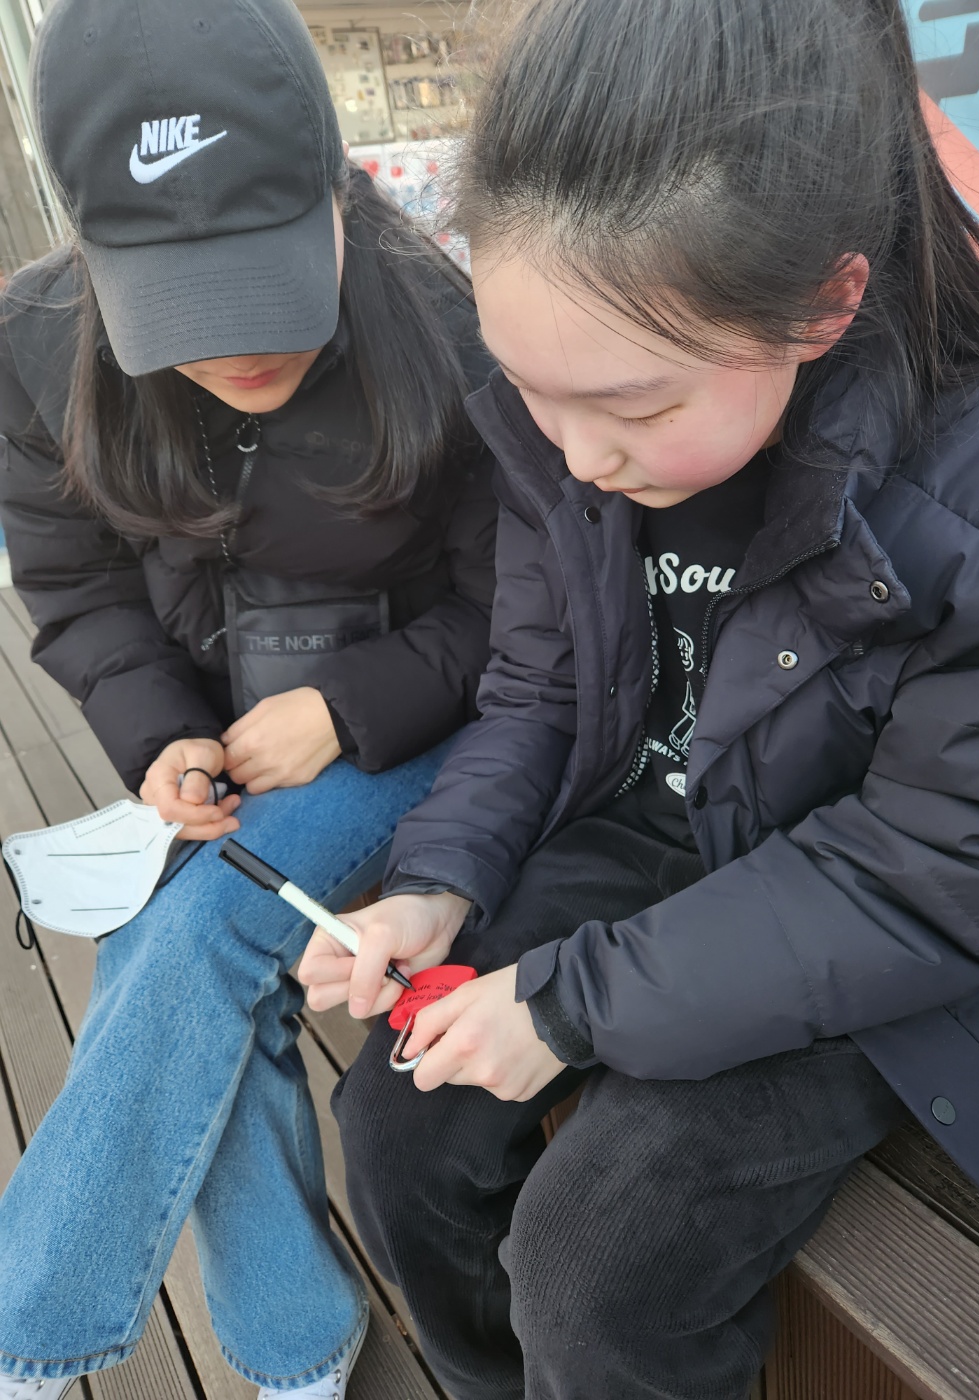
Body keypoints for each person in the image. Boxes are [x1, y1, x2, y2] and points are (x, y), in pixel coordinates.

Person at [298, 0, 979, 1396]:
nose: (579, 458)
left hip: (864, 926)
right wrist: (439, 883)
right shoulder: (566, 428)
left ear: (825, 302)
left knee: (598, 1266)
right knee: (395, 1124)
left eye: (636, 411)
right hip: (651, 837)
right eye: (532, 393)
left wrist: (568, 1005)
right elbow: (535, 688)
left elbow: (935, 874)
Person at [0, 1, 496, 1397]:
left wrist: (348, 706)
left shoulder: (445, 325)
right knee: (170, 931)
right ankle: (298, 1350)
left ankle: (29, 1337)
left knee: (196, 931)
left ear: (338, 191)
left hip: (419, 725)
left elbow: (522, 616)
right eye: (178, 294)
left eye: (262, 270)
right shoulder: (35, 342)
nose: (234, 345)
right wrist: (158, 736)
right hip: (215, 740)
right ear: (92, 249)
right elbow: (78, 585)